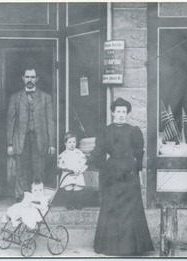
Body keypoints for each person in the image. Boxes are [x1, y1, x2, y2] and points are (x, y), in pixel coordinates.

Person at [86, 97, 154, 256]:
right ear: (112, 112)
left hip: (130, 172)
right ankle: (110, 247)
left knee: (130, 208)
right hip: (112, 173)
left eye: (124, 112)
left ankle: (130, 247)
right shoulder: (106, 131)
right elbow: (98, 151)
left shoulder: (133, 131)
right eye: (118, 111)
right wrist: (85, 164)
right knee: (111, 207)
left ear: (127, 113)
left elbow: (139, 155)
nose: (122, 115)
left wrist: (141, 174)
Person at [6, 66, 56, 202]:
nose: (30, 80)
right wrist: (10, 143)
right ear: (23, 78)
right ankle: (21, 197)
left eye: (32, 77)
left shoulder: (46, 98)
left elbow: (50, 121)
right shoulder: (15, 97)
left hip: (39, 139)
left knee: (38, 168)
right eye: (27, 77)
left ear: (37, 79)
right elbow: (10, 122)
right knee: (21, 168)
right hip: (20, 139)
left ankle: (37, 197)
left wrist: (52, 143)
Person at [58, 132, 88, 210]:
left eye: (74, 142)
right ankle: (70, 204)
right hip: (68, 174)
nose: (72, 144)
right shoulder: (63, 154)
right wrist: (67, 168)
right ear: (65, 143)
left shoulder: (78, 152)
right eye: (69, 142)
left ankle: (78, 204)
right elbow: (60, 164)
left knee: (78, 188)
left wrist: (80, 169)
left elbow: (83, 162)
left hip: (77, 173)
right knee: (68, 188)